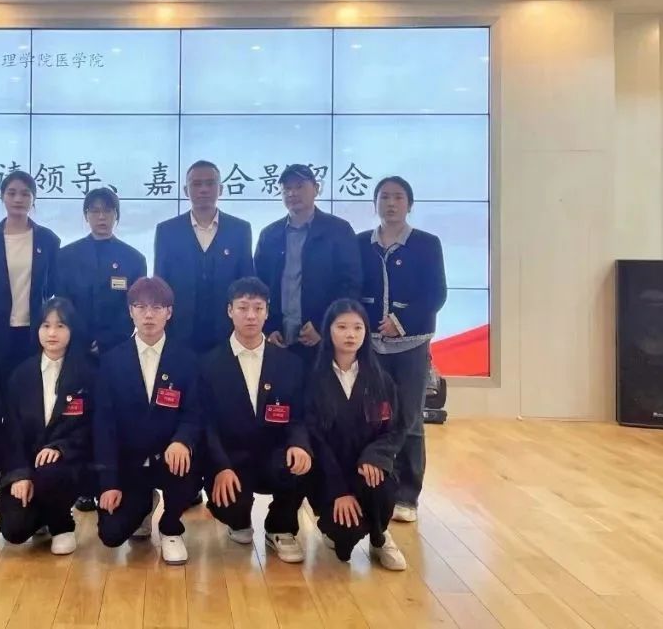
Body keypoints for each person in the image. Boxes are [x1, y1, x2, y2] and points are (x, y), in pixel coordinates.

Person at [199, 276, 312, 563]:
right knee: (231, 509)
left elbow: (298, 417)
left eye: (258, 308)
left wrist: (299, 445)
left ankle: (280, 528)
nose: (250, 315)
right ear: (230, 310)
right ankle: (237, 520)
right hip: (231, 459)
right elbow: (206, 424)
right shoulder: (209, 364)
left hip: (274, 455)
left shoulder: (290, 363)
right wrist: (221, 466)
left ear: (267, 312)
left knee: (301, 462)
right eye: (243, 307)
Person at [357, 176, 447, 524]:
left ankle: (407, 494)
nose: (391, 203)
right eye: (384, 197)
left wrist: (401, 321)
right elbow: (353, 288)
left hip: (411, 344)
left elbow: (436, 294)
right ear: (375, 204)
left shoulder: (426, 244)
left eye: (397, 197)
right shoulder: (361, 243)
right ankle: (375, 483)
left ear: (410, 204)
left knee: (409, 418)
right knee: (372, 415)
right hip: (371, 345)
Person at [95, 277, 202, 565]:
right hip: (131, 462)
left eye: (157, 307)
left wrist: (182, 441)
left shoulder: (187, 359)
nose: (149, 315)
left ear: (169, 312)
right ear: (130, 311)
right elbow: (104, 426)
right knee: (112, 534)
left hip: (170, 458)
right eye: (140, 307)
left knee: (188, 461)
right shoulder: (111, 361)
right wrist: (109, 482)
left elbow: (194, 412)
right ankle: (144, 504)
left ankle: (171, 527)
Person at [305, 299, 407, 571]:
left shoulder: (381, 379)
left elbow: (396, 428)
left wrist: (375, 457)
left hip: (368, 471)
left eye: (358, 328)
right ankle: (337, 528)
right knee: (344, 537)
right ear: (328, 330)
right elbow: (316, 439)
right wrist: (339, 490)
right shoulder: (313, 379)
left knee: (380, 483)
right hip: (329, 475)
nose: (350, 334)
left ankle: (380, 536)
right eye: (342, 327)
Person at [0, 298, 95, 555]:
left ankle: (62, 525)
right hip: (29, 464)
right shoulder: (21, 374)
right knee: (14, 531)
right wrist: (19, 474)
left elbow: (93, 426)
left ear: (72, 330)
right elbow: (12, 431)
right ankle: (42, 513)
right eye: (46, 325)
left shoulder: (88, 372)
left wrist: (62, 447)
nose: (52, 333)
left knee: (50, 472)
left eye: (60, 326)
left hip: (70, 462)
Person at [255, 163, 362, 364]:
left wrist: (325, 325)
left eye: (299, 186)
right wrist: (268, 327)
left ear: (316, 188)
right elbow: (259, 286)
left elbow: (350, 285)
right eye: (287, 188)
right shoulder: (269, 234)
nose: (292, 193)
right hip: (279, 340)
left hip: (322, 340)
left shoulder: (338, 230)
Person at [0, 170, 61, 391]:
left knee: (30, 392)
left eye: (25, 194)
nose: (18, 199)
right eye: (12, 193)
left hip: (34, 332)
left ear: (33, 198)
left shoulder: (48, 240)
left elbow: (54, 286)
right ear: (2, 197)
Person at [153, 160, 254, 355]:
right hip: (179, 333)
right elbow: (160, 285)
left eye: (210, 183)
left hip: (228, 333)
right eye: (197, 184)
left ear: (221, 189)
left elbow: (247, 283)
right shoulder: (167, 231)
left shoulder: (239, 230)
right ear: (186, 190)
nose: (204, 189)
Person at [57, 187, 147, 358]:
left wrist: (107, 341)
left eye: (107, 210)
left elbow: (134, 307)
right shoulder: (66, 256)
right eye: (95, 211)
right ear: (86, 215)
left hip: (117, 347)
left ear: (116, 215)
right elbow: (62, 303)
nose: (101, 216)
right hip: (73, 346)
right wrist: (80, 338)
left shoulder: (134, 259)